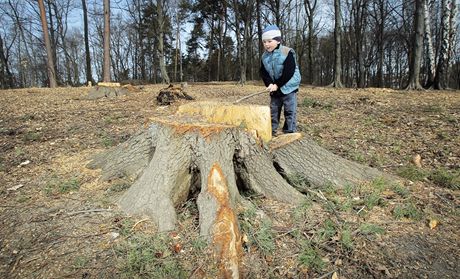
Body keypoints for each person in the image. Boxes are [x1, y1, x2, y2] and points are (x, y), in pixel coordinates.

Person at [260, 25, 301, 137]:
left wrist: (277, 84)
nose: (266, 44)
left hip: (288, 86)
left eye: (269, 41)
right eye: (264, 42)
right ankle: (271, 131)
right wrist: (269, 84)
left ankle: (289, 130)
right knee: (273, 110)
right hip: (275, 88)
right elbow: (264, 72)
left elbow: (289, 71)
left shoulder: (287, 52)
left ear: (278, 40)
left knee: (289, 110)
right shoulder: (264, 57)